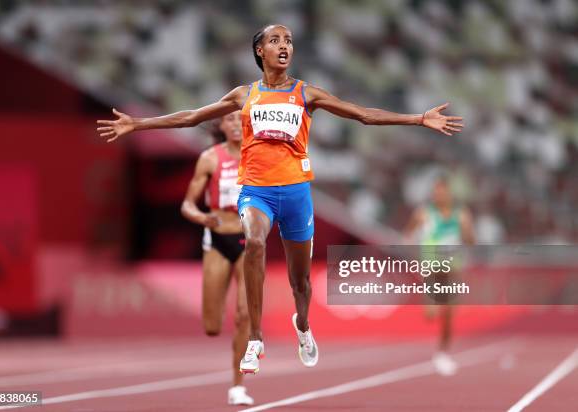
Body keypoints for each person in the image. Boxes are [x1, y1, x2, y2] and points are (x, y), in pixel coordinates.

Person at [97, 24, 464, 375]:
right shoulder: (245, 95)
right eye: (275, 40)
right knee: (254, 242)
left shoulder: (307, 93)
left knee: (300, 283)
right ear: (260, 50)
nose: (285, 45)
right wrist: (138, 123)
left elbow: (364, 115)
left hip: (296, 194)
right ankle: (255, 338)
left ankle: (302, 325)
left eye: (288, 40)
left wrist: (418, 119)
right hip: (256, 191)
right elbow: (192, 116)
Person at [179, 111, 253, 405]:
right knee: (212, 326)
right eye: (230, 120)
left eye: (241, 119)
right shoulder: (210, 158)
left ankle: (238, 386)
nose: (236, 124)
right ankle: (216, 322)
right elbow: (187, 204)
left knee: (245, 314)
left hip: (249, 240)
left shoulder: (258, 156)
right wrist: (201, 217)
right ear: (221, 126)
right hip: (217, 238)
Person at [404, 175, 475, 375]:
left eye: (441, 192)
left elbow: (471, 240)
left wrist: (468, 233)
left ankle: (443, 353)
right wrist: (413, 253)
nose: (438, 195)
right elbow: (408, 232)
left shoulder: (461, 214)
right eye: (435, 192)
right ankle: (431, 304)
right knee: (431, 314)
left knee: (449, 314)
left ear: (449, 194)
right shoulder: (424, 213)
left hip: (453, 266)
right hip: (431, 264)